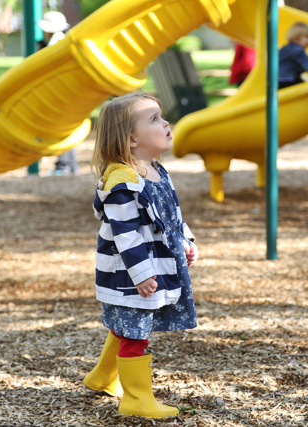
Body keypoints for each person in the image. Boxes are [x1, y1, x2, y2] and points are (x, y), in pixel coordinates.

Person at [83, 92, 199, 419]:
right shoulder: (124, 181)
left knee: (129, 324)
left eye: (162, 116)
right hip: (128, 274)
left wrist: (186, 241)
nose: (165, 123)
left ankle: (103, 378)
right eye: (154, 119)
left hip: (148, 267)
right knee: (136, 331)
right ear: (132, 140)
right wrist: (142, 274)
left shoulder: (156, 171)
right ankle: (136, 398)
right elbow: (126, 234)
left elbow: (172, 216)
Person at [38, 11, 78, 175]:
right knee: (66, 126)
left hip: (62, 91)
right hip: (70, 89)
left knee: (61, 127)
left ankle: (64, 165)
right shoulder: (66, 40)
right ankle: (70, 165)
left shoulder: (56, 43)